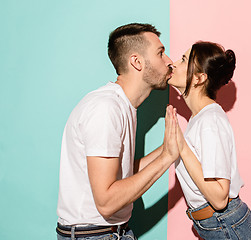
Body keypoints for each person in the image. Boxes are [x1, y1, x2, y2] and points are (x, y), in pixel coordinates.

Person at [56, 23, 179, 240]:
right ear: (136, 62)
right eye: (160, 53)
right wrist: (166, 158)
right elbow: (107, 202)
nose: (169, 60)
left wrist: (167, 149)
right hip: (94, 235)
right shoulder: (106, 109)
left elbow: (122, 174)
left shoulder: (121, 105)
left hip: (108, 233)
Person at [168, 41, 251, 239]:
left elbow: (219, 199)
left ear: (199, 78)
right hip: (218, 225)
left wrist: (182, 148)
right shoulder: (200, 118)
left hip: (227, 226)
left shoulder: (210, 120)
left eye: (184, 60)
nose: (174, 64)